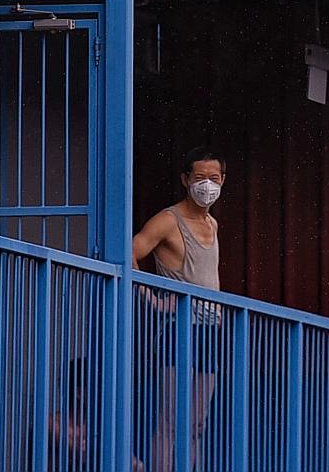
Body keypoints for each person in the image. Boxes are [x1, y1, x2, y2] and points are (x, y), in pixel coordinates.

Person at [131, 147, 226, 472]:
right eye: (200, 178)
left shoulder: (212, 223)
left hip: (210, 328)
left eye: (213, 178)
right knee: (171, 420)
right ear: (186, 179)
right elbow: (130, 252)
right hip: (177, 326)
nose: (207, 185)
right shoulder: (169, 220)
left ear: (223, 180)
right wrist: (153, 298)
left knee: (197, 423)